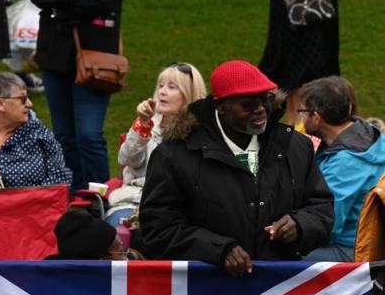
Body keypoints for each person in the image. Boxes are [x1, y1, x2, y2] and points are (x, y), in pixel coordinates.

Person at [138, 60, 333, 277]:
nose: (260, 109)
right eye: (247, 103)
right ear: (220, 107)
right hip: (208, 289)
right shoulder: (175, 154)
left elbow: (321, 208)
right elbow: (158, 227)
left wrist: (300, 225)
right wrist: (217, 250)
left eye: (265, 99)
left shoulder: (296, 146)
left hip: (279, 290)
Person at [28, 0, 130, 195]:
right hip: (54, 58)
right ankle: (75, 198)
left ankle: (100, 199)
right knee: (64, 135)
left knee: (89, 135)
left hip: (94, 61)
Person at [259, 0, 359, 120]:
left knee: (324, 63)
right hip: (292, 3)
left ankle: (319, 123)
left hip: (323, 4)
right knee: (295, 65)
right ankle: (296, 125)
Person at [298, 76, 385, 262]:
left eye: (302, 111)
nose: (300, 118)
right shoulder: (368, 132)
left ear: (316, 118)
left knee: (276, 260)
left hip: (354, 250)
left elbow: (326, 223)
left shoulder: (346, 164)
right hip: (368, 241)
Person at [109, 62, 207, 225]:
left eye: (172, 87)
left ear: (188, 93)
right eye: (161, 85)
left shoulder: (201, 132)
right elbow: (126, 159)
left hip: (178, 206)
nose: (162, 91)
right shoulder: (149, 123)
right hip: (134, 200)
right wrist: (143, 124)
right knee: (116, 231)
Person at [45, 209, 127, 260]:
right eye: (122, 253)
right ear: (101, 260)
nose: (126, 259)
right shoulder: (108, 283)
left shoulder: (43, 273)